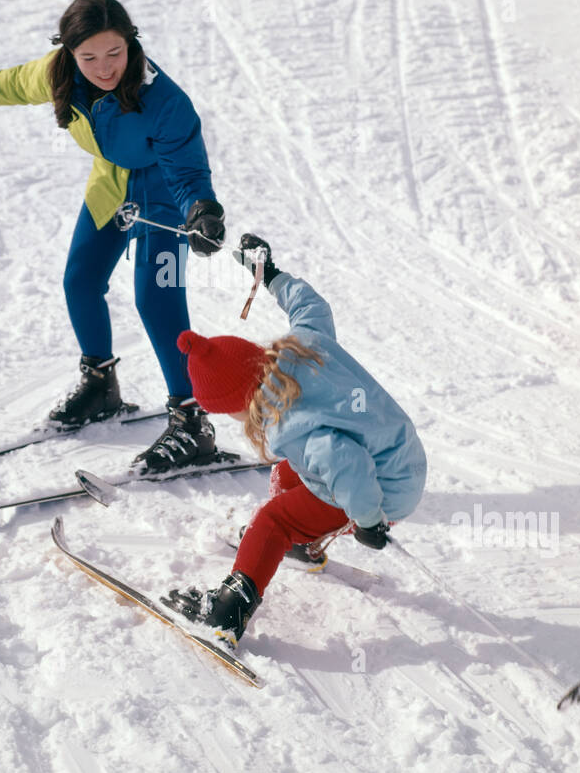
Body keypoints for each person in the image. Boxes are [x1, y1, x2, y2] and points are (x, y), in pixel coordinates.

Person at [0, 0, 226, 473]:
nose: (104, 68)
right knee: (80, 280)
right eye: (89, 57)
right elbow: (15, 83)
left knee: (156, 298)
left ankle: (191, 423)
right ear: (69, 52)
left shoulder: (164, 99)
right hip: (111, 185)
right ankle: (100, 384)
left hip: (164, 197)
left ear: (132, 43)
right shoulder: (61, 72)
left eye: (115, 53)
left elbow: (186, 169)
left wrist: (201, 210)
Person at [165, 234, 427, 646]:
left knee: (274, 520)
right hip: (400, 455)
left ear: (239, 401)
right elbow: (311, 306)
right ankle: (303, 545)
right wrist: (269, 274)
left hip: (381, 488)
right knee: (289, 473)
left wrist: (369, 520)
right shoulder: (304, 344)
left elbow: (346, 464)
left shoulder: (292, 424)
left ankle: (228, 611)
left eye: (227, 411)